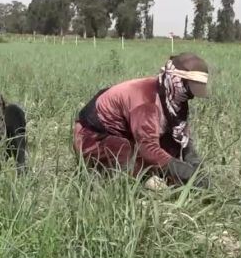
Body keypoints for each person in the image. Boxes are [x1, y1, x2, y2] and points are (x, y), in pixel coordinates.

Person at [72, 53, 210, 188]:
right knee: (126, 155)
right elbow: (148, 149)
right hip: (92, 137)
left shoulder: (174, 99)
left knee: (172, 148)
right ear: (176, 80)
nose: (190, 97)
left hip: (130, 133)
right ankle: (134, 184)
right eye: (188, 89)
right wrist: (187, 173)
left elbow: (182, 139)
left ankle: (156, 178)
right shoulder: (145, 102)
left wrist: (196, 166)